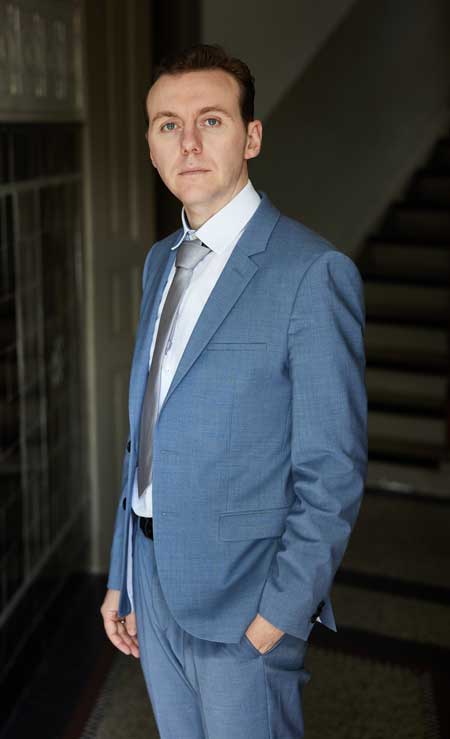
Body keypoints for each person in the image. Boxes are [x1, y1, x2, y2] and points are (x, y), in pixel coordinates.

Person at [100, 43, 367, 738]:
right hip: (152, 578)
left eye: (211, 121)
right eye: (168, 125)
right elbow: (145, 429)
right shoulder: (159, 261)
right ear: (152, 147)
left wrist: (277, 616)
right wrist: (122, 571)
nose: (188, 142)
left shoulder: (312, 273)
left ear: (251, 137)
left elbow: (333, 471)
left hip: (246, 603)